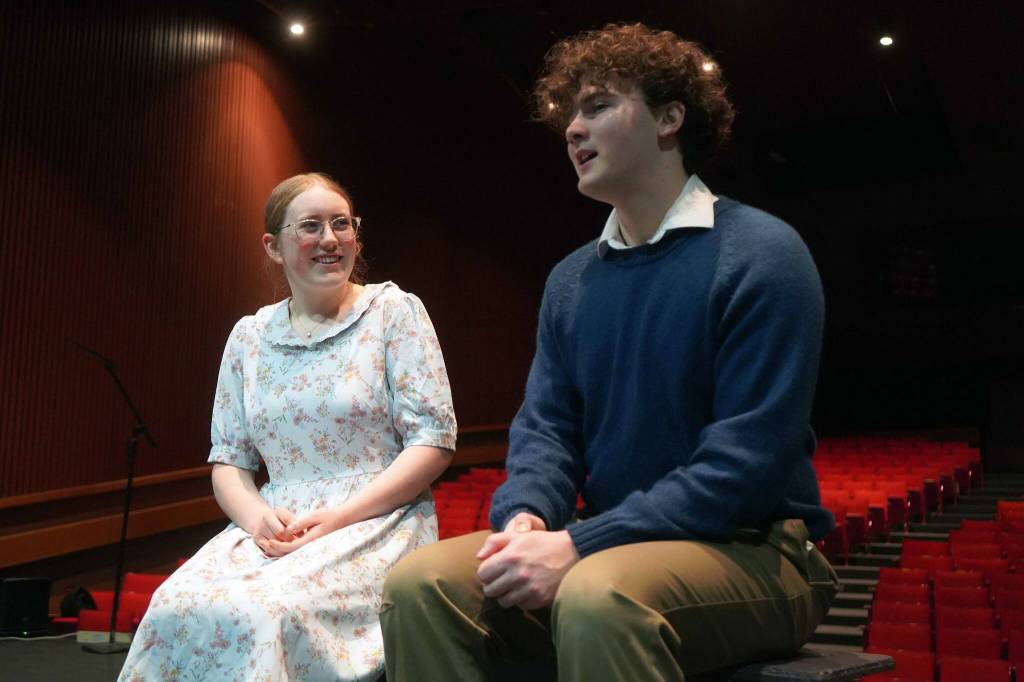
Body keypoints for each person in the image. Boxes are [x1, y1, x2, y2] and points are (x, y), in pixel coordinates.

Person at [380, 22, 838, 682]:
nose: (572, 129)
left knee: (599, 598)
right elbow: (547, 431)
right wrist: (529, 519)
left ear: (669, 119)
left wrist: (580, 545)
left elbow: (747, 463)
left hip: (758, 551)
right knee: (419, 583)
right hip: (612, 547)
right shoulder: (571, 280)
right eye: (570, 113)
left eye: (597, 107)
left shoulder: (762, 254)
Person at [119, 173, 456, 681]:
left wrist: (339, 517)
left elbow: (432, 441)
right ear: (273, 247)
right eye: (311, 226)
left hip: (376, 519)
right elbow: (229, 461)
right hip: (275, 525)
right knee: (174, 604)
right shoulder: (250, 336)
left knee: (271, 609)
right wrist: (256, 518)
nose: (330, 239)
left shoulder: (392, 312)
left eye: (341, 224)